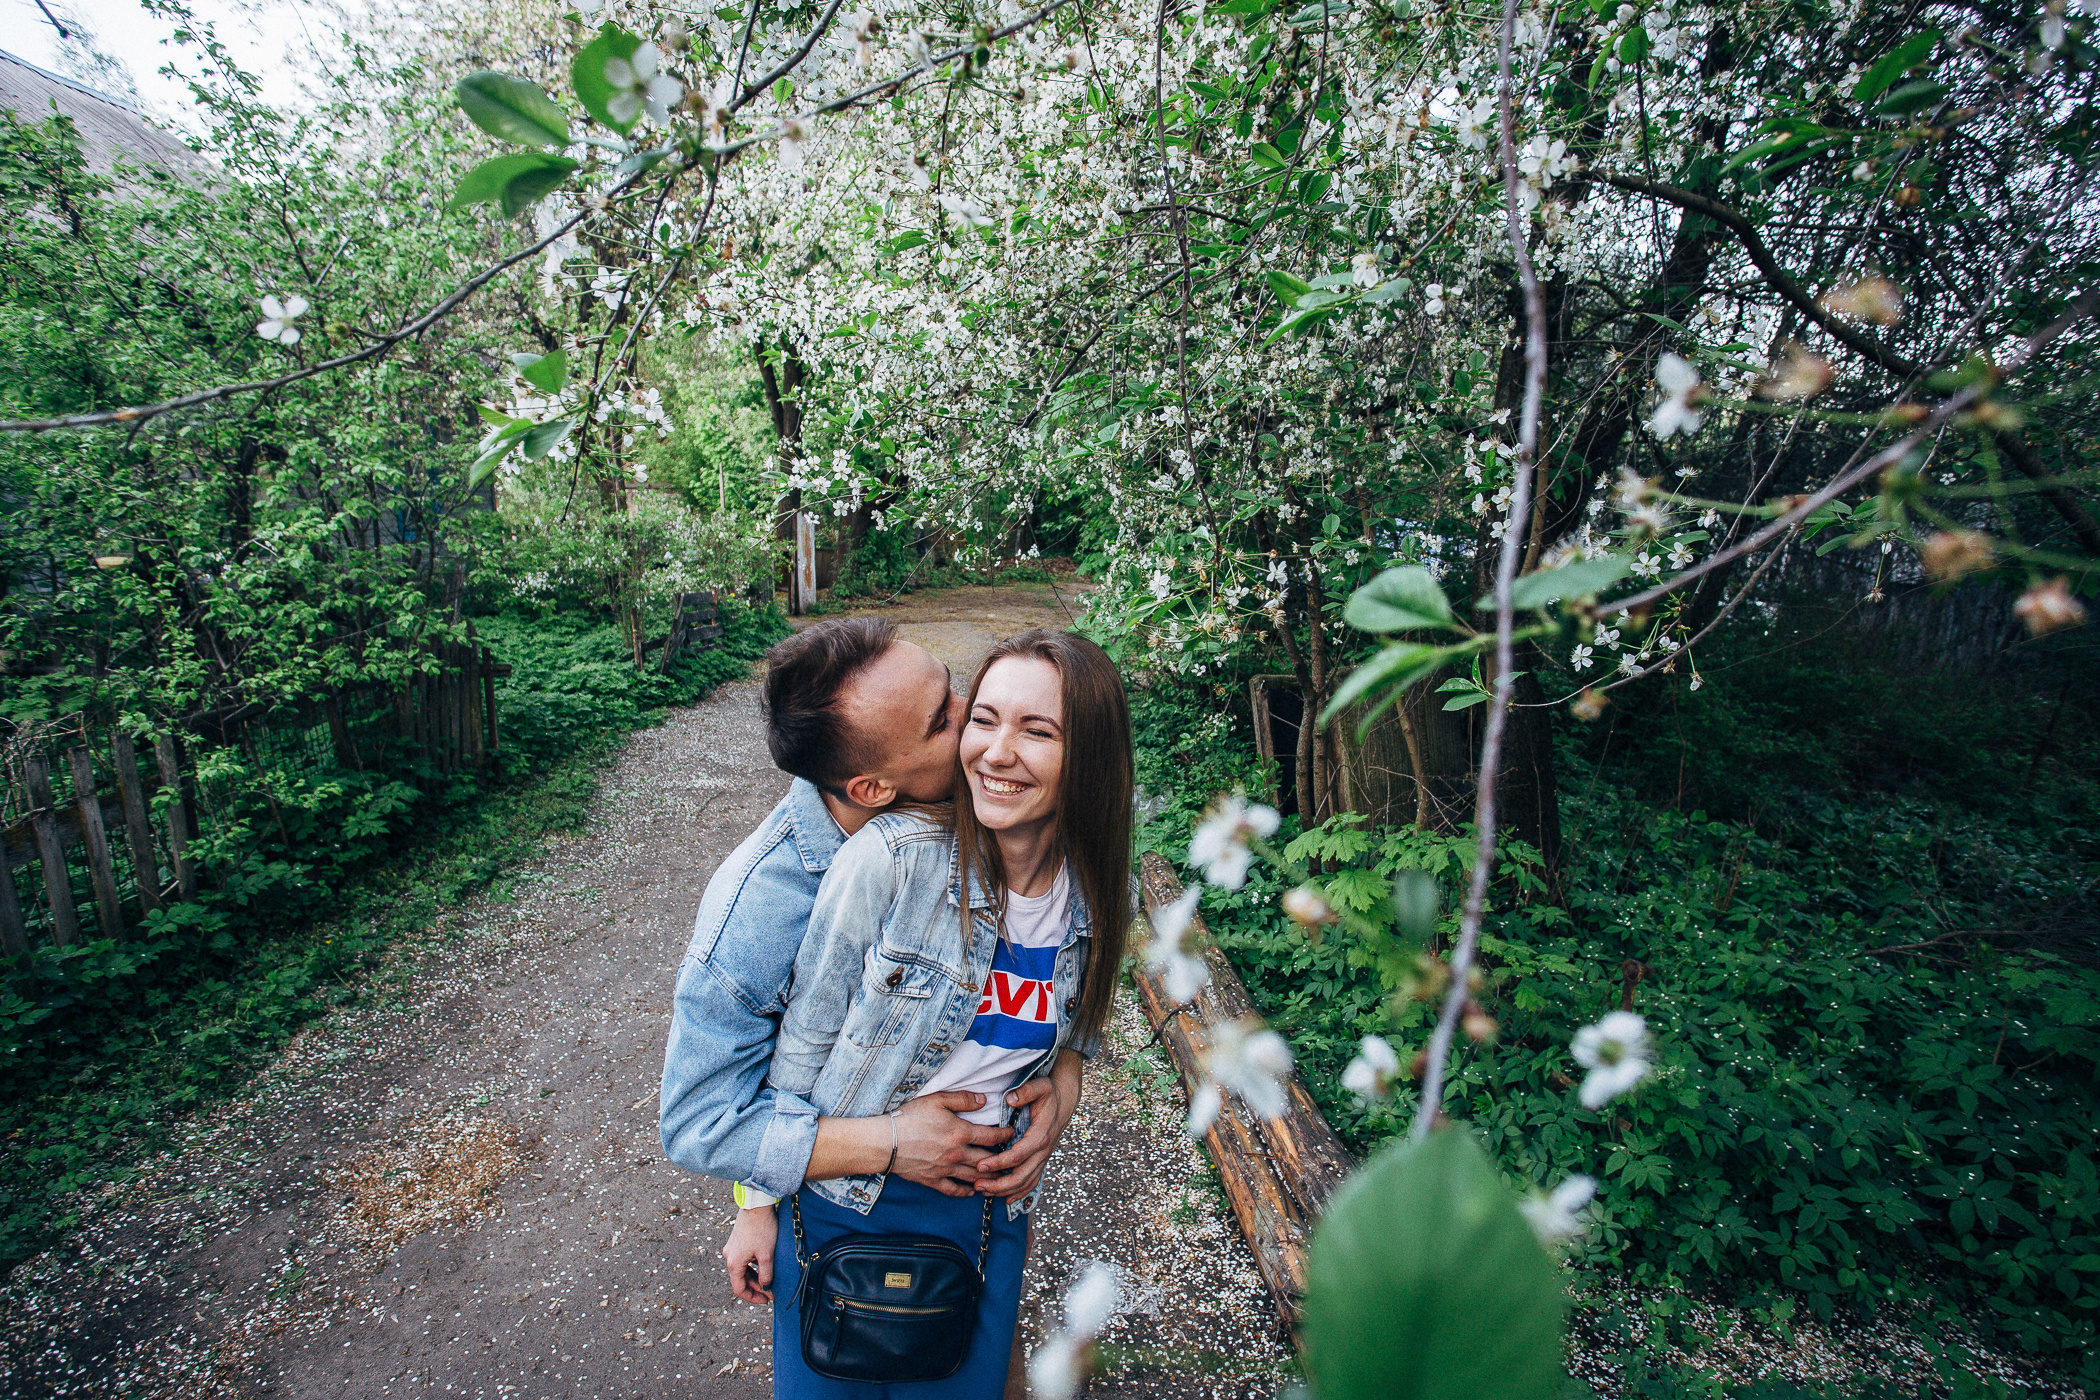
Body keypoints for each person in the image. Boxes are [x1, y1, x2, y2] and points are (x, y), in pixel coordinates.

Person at [723, 629, 1133, 1399]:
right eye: (983, 718)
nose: (996, 752)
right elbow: (800, 1050)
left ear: (1091, 760)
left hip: (986, 1212)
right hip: (849, 1200)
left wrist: (1068, 1083)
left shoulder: (1099, 890)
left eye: (1037, 731)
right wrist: (756, 1208)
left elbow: (1079, 1016)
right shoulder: (891, 861)